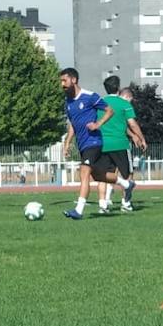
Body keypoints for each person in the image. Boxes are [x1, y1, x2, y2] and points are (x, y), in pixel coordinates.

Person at [60, 68, 112, 220]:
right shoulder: (68, 103)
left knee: (84, 173)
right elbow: (73, 125)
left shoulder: (90, 96)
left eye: (64, 80)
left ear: (74, 80)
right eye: (61, 81)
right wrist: (67, 143)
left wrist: (98, 124)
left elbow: (109, 111)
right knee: (97, 175)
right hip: (82, 144)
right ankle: (125, 183)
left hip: (93, 141)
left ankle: (79, 210)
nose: (62, 84)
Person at [94, 76, 147, 213]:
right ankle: (126, 203)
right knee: (127, 175)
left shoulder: (100, 103)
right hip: (120, 144)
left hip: (103, 144)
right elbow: (132, 124)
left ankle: (102, 205)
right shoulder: (124, 104)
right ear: (118, 88)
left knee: (103, 175)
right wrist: (142, 139)